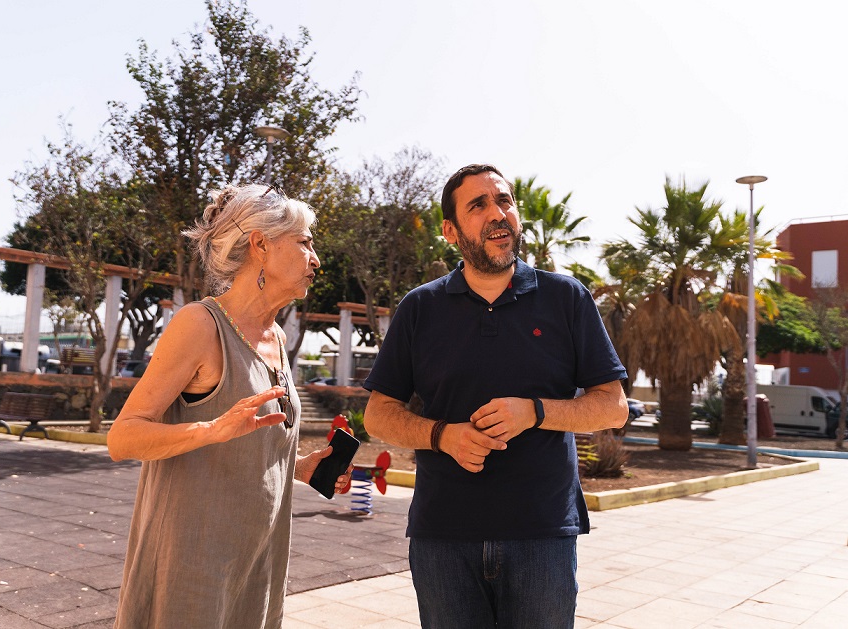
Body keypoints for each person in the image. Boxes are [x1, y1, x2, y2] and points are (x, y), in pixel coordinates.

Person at [363, 164, 629, 629]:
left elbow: (613, 406)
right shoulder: (419, 308)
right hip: (442, 538)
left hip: (542, 535)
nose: (498, 213)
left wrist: (534, 412)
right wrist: (443, 435)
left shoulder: (566, 298)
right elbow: (378, 416)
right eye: (479, 205)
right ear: (450, 231)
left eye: (504, 200)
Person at [108, 183, 350, 629]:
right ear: (260, 244)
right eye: (304, 243)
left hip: (257, 562)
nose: (315, 260)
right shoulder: (200, 325)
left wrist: (297, 465)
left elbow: (246, 437)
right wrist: (210, 429)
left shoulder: (276, 337)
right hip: (192, 564)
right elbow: (122, 437)